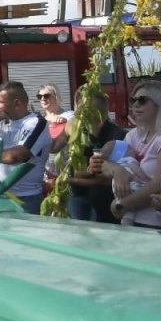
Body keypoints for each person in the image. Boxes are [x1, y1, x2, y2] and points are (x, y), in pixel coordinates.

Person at [98, 80, 161, 229]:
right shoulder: (134, 135)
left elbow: (160, 183)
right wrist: (118, 170)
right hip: (133, 222)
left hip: (157, 224)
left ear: (160, 103)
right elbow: (105, 164)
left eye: (142, 100)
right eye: (133, 100)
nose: (136, 105)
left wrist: (120, 205)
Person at [0, 81, 55, 214]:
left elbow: (15, 156)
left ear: (17, 103)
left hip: (26, 198)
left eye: (0, 102)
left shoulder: (36, 123)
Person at [65, 89, 126, 223]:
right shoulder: (79, 135)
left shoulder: (117, 135)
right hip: (79, 197)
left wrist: (71, 180)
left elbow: (108, 179)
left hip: (106, 202)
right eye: (81, 111)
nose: (83, 116)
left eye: (90, 112)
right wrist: (87, 172)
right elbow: (74, 171)